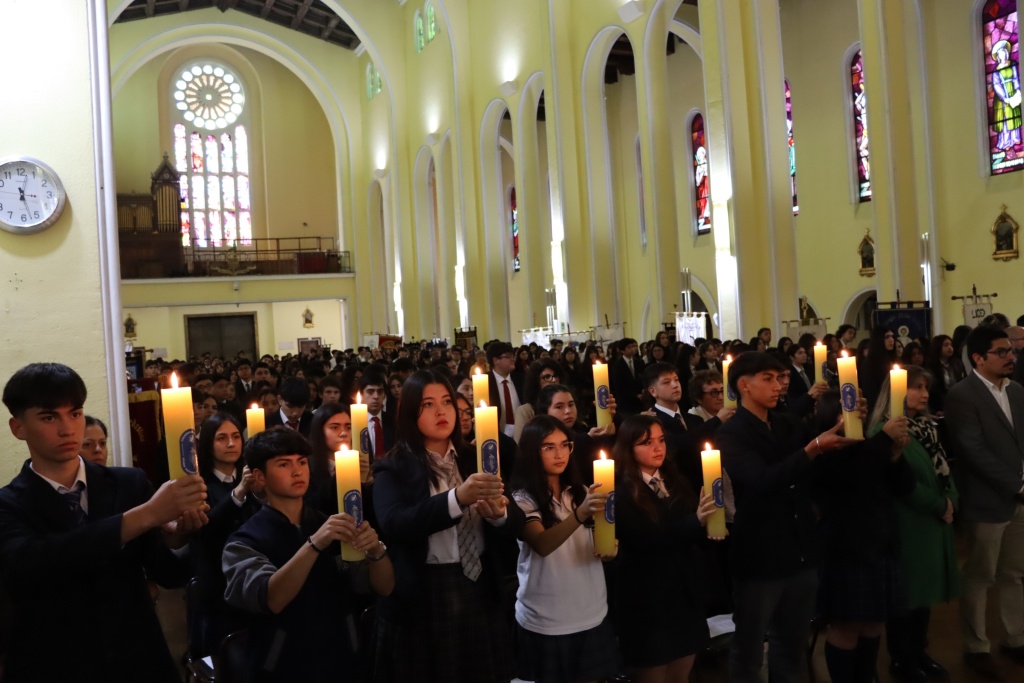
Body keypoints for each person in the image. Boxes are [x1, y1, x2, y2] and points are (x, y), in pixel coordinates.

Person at [0, 362, 209, 682]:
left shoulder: (128, 484)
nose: (68, 428)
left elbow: (167, 574)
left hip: (136, 658)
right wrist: (148, 514)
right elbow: (35, 562)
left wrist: (177, 538)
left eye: (75, 413)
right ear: (18, 428)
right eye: (49, 417)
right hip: (55, 662)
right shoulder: (8, 503)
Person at [715, 351, 863, 683]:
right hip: (760, 552)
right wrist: (813, 448)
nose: (779, 386)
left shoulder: (785, 422)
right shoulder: (731, 433)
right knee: (750, 645)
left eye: (780, 378)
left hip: (800, 548)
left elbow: (814, 464)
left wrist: (844, 426)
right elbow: (761, 480)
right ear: (744, 385)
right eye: (768, 379)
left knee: (792, 643)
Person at [371, 369, 526, 683]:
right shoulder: (393, 466)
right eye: (427, 404)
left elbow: (517, 521)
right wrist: (456, 499)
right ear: (409, 412)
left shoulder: (475, 457)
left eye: (446, 402)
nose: (441, 411)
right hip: (426, 591)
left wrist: (499, 515)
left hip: (479, 584)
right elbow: (395, 523)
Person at [223, 427, 394, 683]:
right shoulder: (246, 540)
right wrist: (314, 544)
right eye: (284, 464)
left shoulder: (328, 524)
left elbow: (383, 586)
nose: (297, 471)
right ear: (259, 477)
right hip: (282, 667)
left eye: (301, 462)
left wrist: (376, 550)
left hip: (341, 660)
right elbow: (272, 599)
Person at [613, 414, 722, 683]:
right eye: (647, 442)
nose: (657, 448)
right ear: (629, 448)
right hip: (648, 598)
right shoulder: (621, 491)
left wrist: (711, 526)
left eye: (661, 440)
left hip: (684, 593)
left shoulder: (674, 479)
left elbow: (692, 532)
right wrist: (696, 520)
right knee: (654, 673)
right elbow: (646, 538)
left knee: (681, 673)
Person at [510, 415, 619, 683]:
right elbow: (542, 543)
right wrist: (580, 515)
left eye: (565, 445)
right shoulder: (522, 499)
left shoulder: (580, 492)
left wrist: (608, 548)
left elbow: (595, 540)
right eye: (549, 447)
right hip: (547, 617)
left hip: (590, 609)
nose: (559, 454)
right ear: (532, 451)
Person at [869, 366, 961, 682]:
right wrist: (939, 505)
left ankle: (919, 652)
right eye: (916, 387)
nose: (924, 394)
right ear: (895, 391)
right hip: (907, 523)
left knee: (924, 596)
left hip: (932, 522)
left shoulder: (925, 426)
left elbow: (942, 468)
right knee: (907, 596)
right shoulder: (884, 430)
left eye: (925, 387)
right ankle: (902, 659)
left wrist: (951, 499)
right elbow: (901, 483)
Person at [814, 388, 912, 683]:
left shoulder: (869, 445)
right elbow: (853, 478)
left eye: (863, 404)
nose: (862, 409)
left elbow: (904, 487)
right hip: (848, 549)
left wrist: (895, 457)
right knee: (847, 626)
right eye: (852, 404)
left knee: (874, 624)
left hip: (880, 544)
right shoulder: (825, 450)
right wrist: (884, 440)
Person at [944, 326, 1024, 680]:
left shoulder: (1016, 391)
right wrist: (1017, 485)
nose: (1010, 357)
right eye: (1001, 352)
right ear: (978, 358)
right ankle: (976, 646)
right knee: (980, 576)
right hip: (986, 499)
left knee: (1013, 573)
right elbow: (972, 449)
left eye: (1011, 351)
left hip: (1018, 498)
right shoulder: (962, 395)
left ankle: (1015, 638)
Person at [513, 359, 562, 442]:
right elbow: (521, 444)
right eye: (547, 377)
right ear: (536, 381)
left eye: (556, 376)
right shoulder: (526, 411)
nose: (554, 380)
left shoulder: (566, 405)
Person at [487, 341, 525, 438]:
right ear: (495, 360)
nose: (513, 359)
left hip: (522, 435)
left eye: (513, 356)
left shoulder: (521, 379)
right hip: (495, 436)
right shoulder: (485, 382)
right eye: (508, 356)